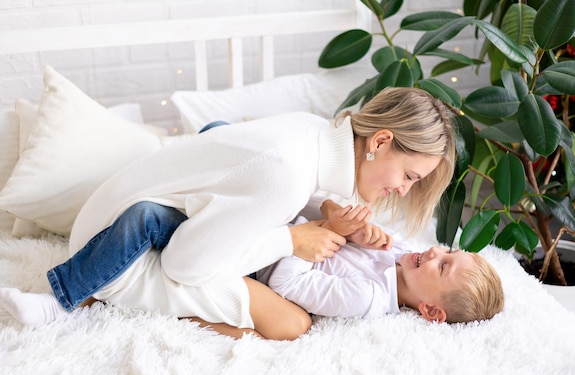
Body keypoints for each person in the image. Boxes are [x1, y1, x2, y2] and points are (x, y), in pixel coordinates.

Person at [0, 87, 456, 338]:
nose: (401, 189)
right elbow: (185, 263)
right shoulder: (287, 173)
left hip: (118, 214)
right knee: (291, 323)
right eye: (410, 177)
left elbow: (280, 193)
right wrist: (293, 242)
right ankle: (69, 299)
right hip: (114, 253)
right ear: (379, 143)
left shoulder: (311, 130)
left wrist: (330, 211)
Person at [256, 200, 505, 324]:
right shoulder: (398, 247)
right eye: (448, 251)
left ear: (430, 310)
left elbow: (283, 283)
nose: (434, 251)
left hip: (257, 253)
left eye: (442, 266)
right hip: (277, 212)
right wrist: (352, 231)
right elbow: (327, 207)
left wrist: (330, 229)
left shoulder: (367, 297)